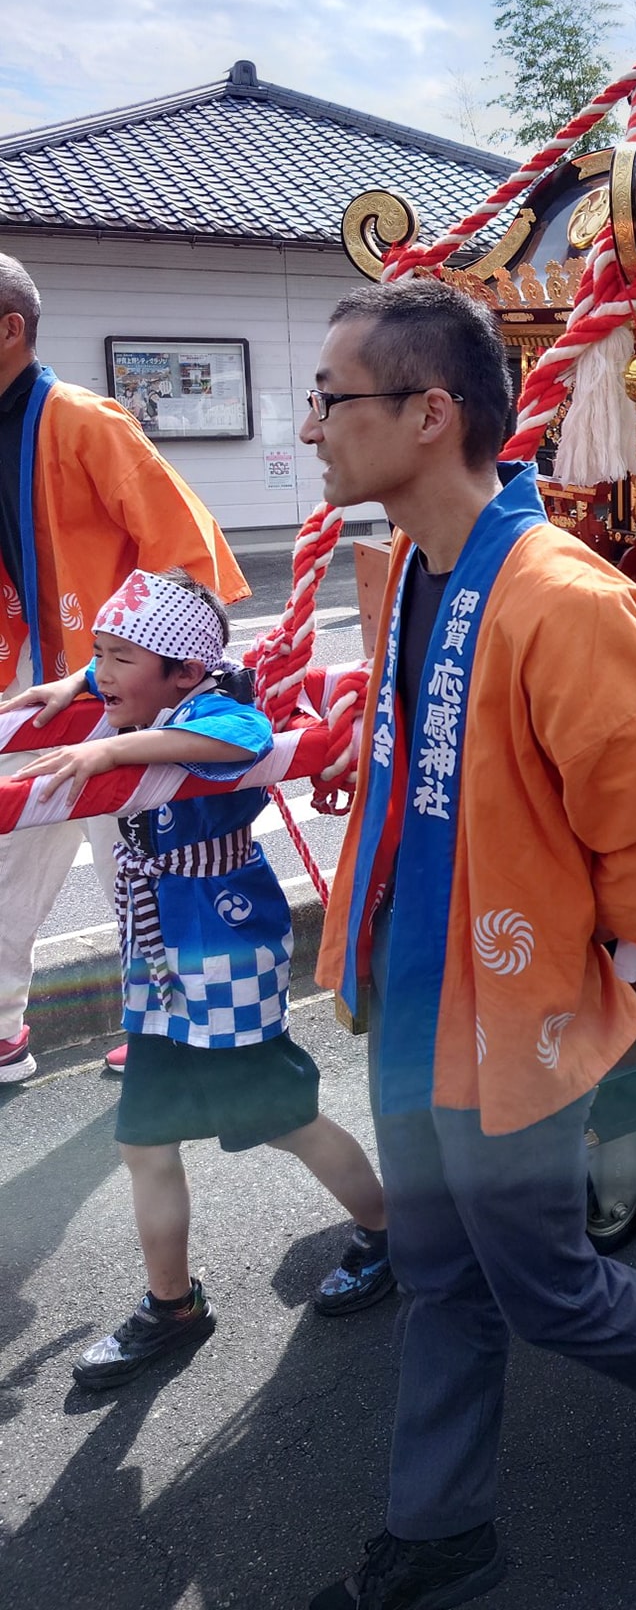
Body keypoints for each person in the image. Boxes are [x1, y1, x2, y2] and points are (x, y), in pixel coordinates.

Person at [303, 281, 636, 1610]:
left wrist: (589, 983)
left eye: (330, 398)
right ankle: (439, 1535)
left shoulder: (558, 596)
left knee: (543, 1289)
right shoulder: (416, 566)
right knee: (443, 1273)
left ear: (429, 415)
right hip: (418, 1000)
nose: (310, 428)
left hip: (505, 1012)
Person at [6, 570, 393, 1388]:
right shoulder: (154, 690)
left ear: (184, 671)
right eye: (98, 655)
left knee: (287, 1119)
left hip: (223, 945)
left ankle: (391, 1231)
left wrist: (108, 747)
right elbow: (119, 680)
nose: (102, 674)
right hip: (155, 958)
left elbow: (246, 739)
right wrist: (68, 686)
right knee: (143, 1141)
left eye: (118, 660)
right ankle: (171, 1305)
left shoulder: (213, 710)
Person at [0, 251, 246, 1085]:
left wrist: (106, 670)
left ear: (10, 331)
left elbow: (185, 548)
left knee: (129, 849)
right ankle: (3, 1027)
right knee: (14, 843)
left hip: (114, 668)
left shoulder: (82, 419)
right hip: (35, 656)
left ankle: (168, 1019)